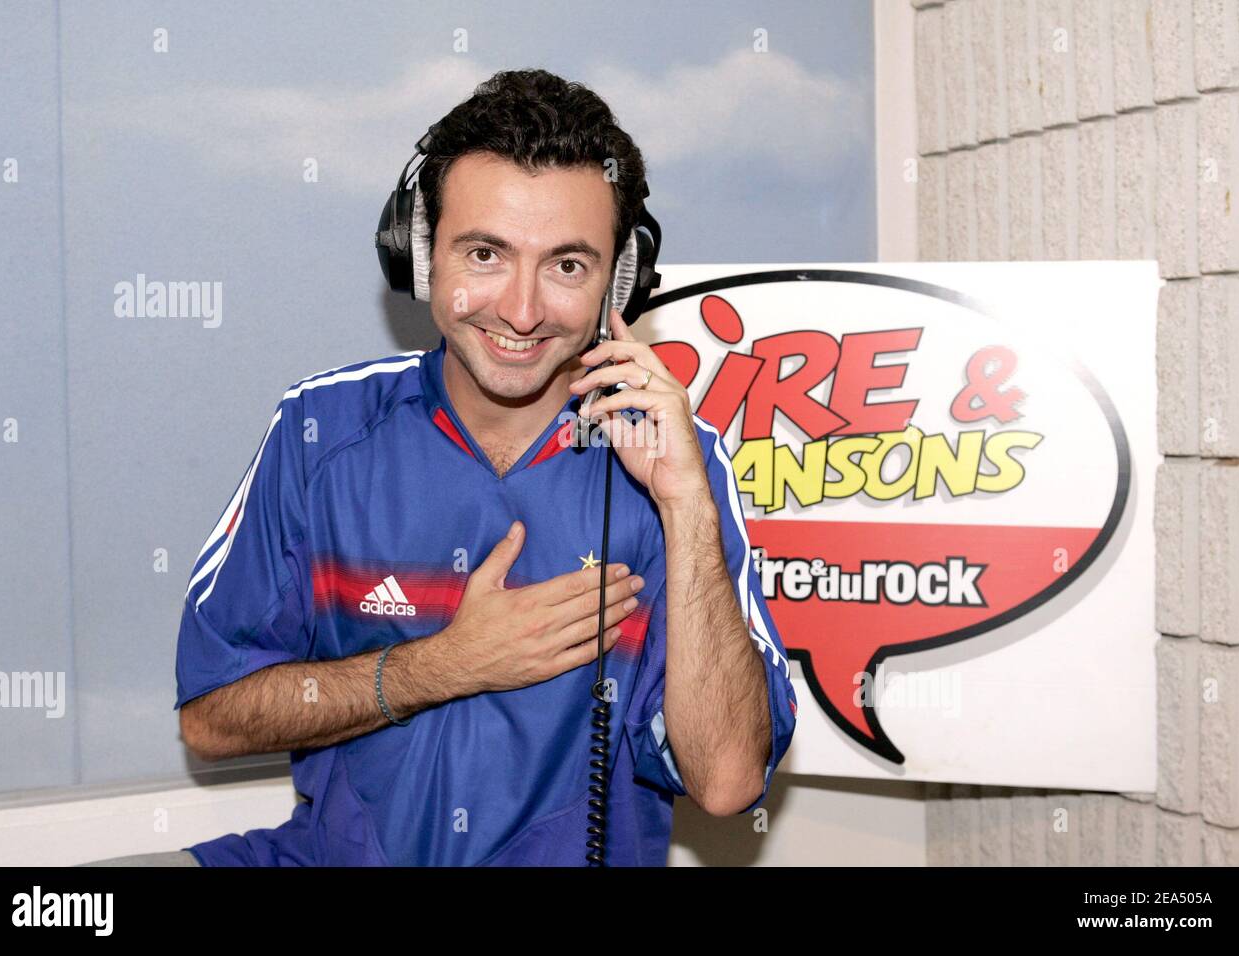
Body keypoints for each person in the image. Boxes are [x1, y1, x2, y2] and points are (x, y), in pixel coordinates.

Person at [88, 69, 797, 867]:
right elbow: (212, 718)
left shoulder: (677, 464)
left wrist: (685, 507)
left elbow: (730, 781)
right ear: (421, 255)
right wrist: (443, 667)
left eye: (567, 265)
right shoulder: (320, 431)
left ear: (619, 281)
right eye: (486, 253)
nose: (522, 310)